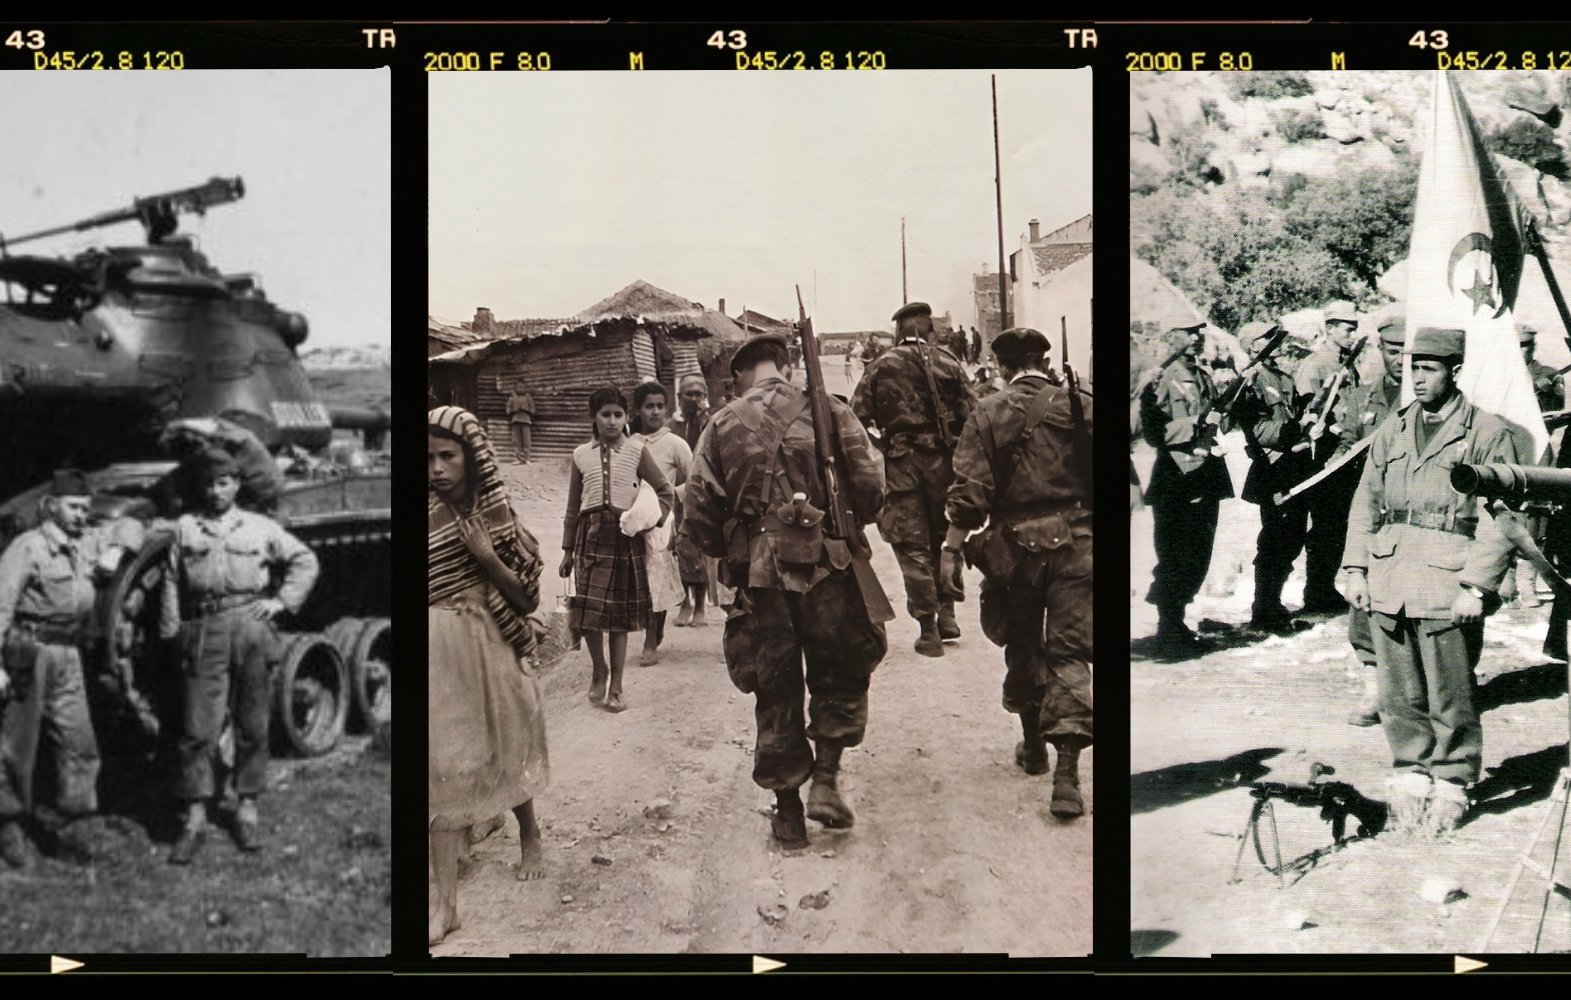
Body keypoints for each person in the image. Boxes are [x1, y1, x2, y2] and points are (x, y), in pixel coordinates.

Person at [684, 333, 888, 848]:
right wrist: (843, 518)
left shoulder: (721, 423)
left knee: (775, 689)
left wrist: (731, 547)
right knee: (839, 671)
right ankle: (826, 779)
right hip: (828, 563)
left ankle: (790, 812)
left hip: (759, 574)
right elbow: (870, 486)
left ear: (739, 376)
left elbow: (699, 511)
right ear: (786, 364)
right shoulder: (829, 409)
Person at [1342, 327, 1520, 835]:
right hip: (1390, 572)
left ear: (1455, 371)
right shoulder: (1395, 428)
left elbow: (1501, 516)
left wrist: (1477, 585)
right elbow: (1365, 500)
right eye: (1411, 366)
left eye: (1429, 368)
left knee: (1450, 691)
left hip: (1447, 577)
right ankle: (1410, 774)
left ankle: (1453, 781)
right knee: (1398, 690)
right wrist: (1355, 567)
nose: (1415, 376)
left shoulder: (1486, 431)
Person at [942, 329, 1092, 818]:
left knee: (1024, 642)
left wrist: (951, 549)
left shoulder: (988, 411)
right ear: (1044, 360)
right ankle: (1068, 776)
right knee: (1070, 650)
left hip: (1016, 546)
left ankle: (1034, 748)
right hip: (1079, 541)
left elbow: (970, 491)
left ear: (1002, 365)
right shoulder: (1080, 403)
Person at [427, 406, 550, 947]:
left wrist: (488, 559)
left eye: (447, 455)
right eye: (426, 457)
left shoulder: (496, 517)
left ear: (472, 459)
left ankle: (529, 831)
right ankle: (446, 904)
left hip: (492, 641)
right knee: (443, 762)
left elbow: (526, 597)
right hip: (438, 650)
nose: (435, 467)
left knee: (507, 741)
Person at [160, 449, 318, 865]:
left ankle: (246, 806)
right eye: (210, 484)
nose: (216, 491)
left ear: (237, 484)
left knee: (252, 723)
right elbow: (172, 583)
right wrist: (172, 633)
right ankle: (193, 816)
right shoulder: (185, 528)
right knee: (197, 728)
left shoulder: (260, 527)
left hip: (249, 624)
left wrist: (281, 603)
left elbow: (305, 560)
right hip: (203, 629)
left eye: (224, 483)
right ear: (201, 486)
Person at [0, 470, 128, 868]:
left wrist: (116, 551)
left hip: (68, 654)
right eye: (73, 507)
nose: (80, 516)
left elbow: (134, 521)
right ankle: (10, 827)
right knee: (16, 747)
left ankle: (72, 823)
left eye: (86, 509)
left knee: (79, 743)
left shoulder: (86, 542)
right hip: (29, 649)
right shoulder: (28, 547)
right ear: (51, 506)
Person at [851, 301, 974, 656]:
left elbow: (856, 416)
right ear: (930, 330)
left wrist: (883, 444)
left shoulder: (881, 366)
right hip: (945, 464)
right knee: (946, 538)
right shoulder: (950, 363)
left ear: (898, 332)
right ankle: (948, 612)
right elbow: (973, 416)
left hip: (902, 464)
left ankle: (929, 629)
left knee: (912, 545)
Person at [559, 387, 675, 713]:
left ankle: (618, 686)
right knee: (591, 615)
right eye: (605, 414)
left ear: (627, 417)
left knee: (619, 619)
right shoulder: (581, 455)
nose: (612, 421)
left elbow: (666, 492)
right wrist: (568, 550)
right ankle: (599, 670)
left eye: (618, 415)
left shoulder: (637, 451)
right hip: (590, 537)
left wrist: (652, 520)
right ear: (593, 417)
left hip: (625, 538)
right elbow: (572, 507)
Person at [1139, 319, 1234, 651]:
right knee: (1176, 554)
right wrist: (1195, 424)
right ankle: (1169, 626)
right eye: (1189, 331)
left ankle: (1177, 624)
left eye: (1200, 332)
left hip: (1206, 476)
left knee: (1199, 555)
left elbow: (1218, 420)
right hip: (1177, 478)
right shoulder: (1161, 378)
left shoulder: (1202, 376)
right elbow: (1152, 433)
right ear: (1171, 335)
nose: (1197, 338)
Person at [1331, 315, 1407, 725]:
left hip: (1414, 520)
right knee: (1365, 606)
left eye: (1406, 353)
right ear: (1381, 351)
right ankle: (1374, 693)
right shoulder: (1361, 398)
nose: (1399, 360)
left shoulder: (1426, 402)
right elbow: (1346, 444)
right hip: (1372, 517)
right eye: (1392, 351)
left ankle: (1419, 693)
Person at [1232, 321, 1311, 635]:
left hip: (1294, 468)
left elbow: (1291, 416)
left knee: (1292, 538)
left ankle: (1273, 602)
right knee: (1274, 540)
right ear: (1253, 345)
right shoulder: (1250, 381)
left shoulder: (1282, 378)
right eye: (1268, 338)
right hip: (1272, 470)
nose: (1276, 342)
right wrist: (1293, 431)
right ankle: (1263, 607)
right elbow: (1254, 427)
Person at [1294, 300, 1364, 614]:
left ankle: (1324, 587)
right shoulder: (1316, 364)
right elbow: (1308, 410)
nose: (1351, 334)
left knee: (1338, 524)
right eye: (1347, 329)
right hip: (1323, 454)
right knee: (1325, 524)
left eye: (1354, 329)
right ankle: (1316, 590)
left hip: (1346, 451)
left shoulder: (1348, 363)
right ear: (1331, 328)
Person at [629, 381, 692, 666]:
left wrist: (665, 500)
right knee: (637, 580)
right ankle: (651, 629)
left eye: (659, 406)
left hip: (662, 519)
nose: (655, 412)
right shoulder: (628, 442)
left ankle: (650, 640)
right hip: (630, 518)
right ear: (637, 410)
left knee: (657, 576)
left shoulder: (675, 444)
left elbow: (694, 482)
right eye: (648, 407)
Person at [671, 374, 717, 625]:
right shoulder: (673, 427)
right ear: (679, 398)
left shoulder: (712, 425)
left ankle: (700, 604)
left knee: (700, 548)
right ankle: (684, 602)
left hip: (703, 495)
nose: (694, 399)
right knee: (679, 548)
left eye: (699, 394)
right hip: (676, 496)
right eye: (689, 394)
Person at [506, 381, 536, 464]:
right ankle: (518, 458)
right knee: (516, 440)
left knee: (527, 440)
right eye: (519, 387)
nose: (520, 389)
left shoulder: (528, 398)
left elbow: (533, 410)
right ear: (516, 388)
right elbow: (507, 410)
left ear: (525, 388)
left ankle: (527, 458)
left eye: (522, 387)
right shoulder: (512, 398)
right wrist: (513, 410)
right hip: (515, 420)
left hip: (526, 420)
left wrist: (527, 410)